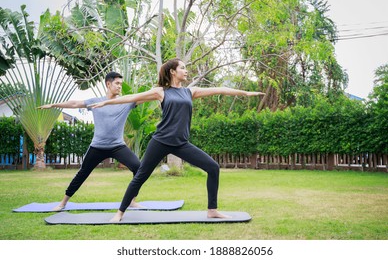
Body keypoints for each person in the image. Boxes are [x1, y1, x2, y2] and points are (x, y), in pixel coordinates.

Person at [89, 58, 265, 222]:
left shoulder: (191, 91)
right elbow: (132, 98)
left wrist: (245, 93)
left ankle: (212, 210)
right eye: (183, 68)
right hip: (160, 141)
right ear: (173, 71)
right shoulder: (161, 92)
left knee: (213, 167)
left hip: (181, 143)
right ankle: (120, 212)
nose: (186, 71)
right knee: (141, 176)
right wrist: (106, 102)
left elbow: (220, 89)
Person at [38, 72, 141, 211]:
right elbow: (74, 103)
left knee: (138, 167)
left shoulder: (125, 102)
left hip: (118, 146)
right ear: (108, 84)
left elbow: (144, 97)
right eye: (117, 83)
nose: (119, 87)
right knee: (82, 173)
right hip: (97, 146)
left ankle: (132, 200)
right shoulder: (95, 101)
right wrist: (53, 105)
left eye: (120, 84)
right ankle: (63, 203)